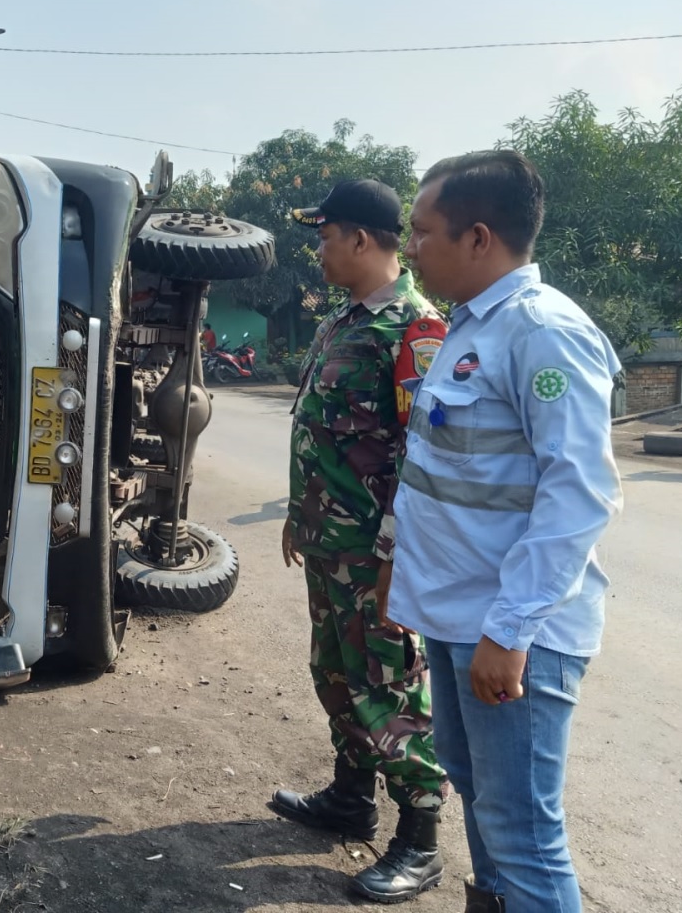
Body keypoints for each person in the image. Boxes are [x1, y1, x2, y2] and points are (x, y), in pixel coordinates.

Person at [385, 150, 623, 913]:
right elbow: (436, 464)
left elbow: (576, 495)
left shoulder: (541, 332)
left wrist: (511, 628)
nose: (410, 246)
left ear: (478, 237)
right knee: (478, 797)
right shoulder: (470, 324)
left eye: (421, 231)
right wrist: (401, 561)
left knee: (522, 834)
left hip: (509, 625)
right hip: (459, 612)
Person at [271, 179, 450, 904]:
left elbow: (422, 454)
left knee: (388, 684)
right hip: (325, 539)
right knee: (335, 674)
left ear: (359, 239)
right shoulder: (343, 321)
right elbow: (319, 430)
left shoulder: (415, 329)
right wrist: (295, 514)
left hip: (373, 555)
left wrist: (393, 554)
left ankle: (420, 838)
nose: (317, 249)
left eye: (324, 235)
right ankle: (350, 799)